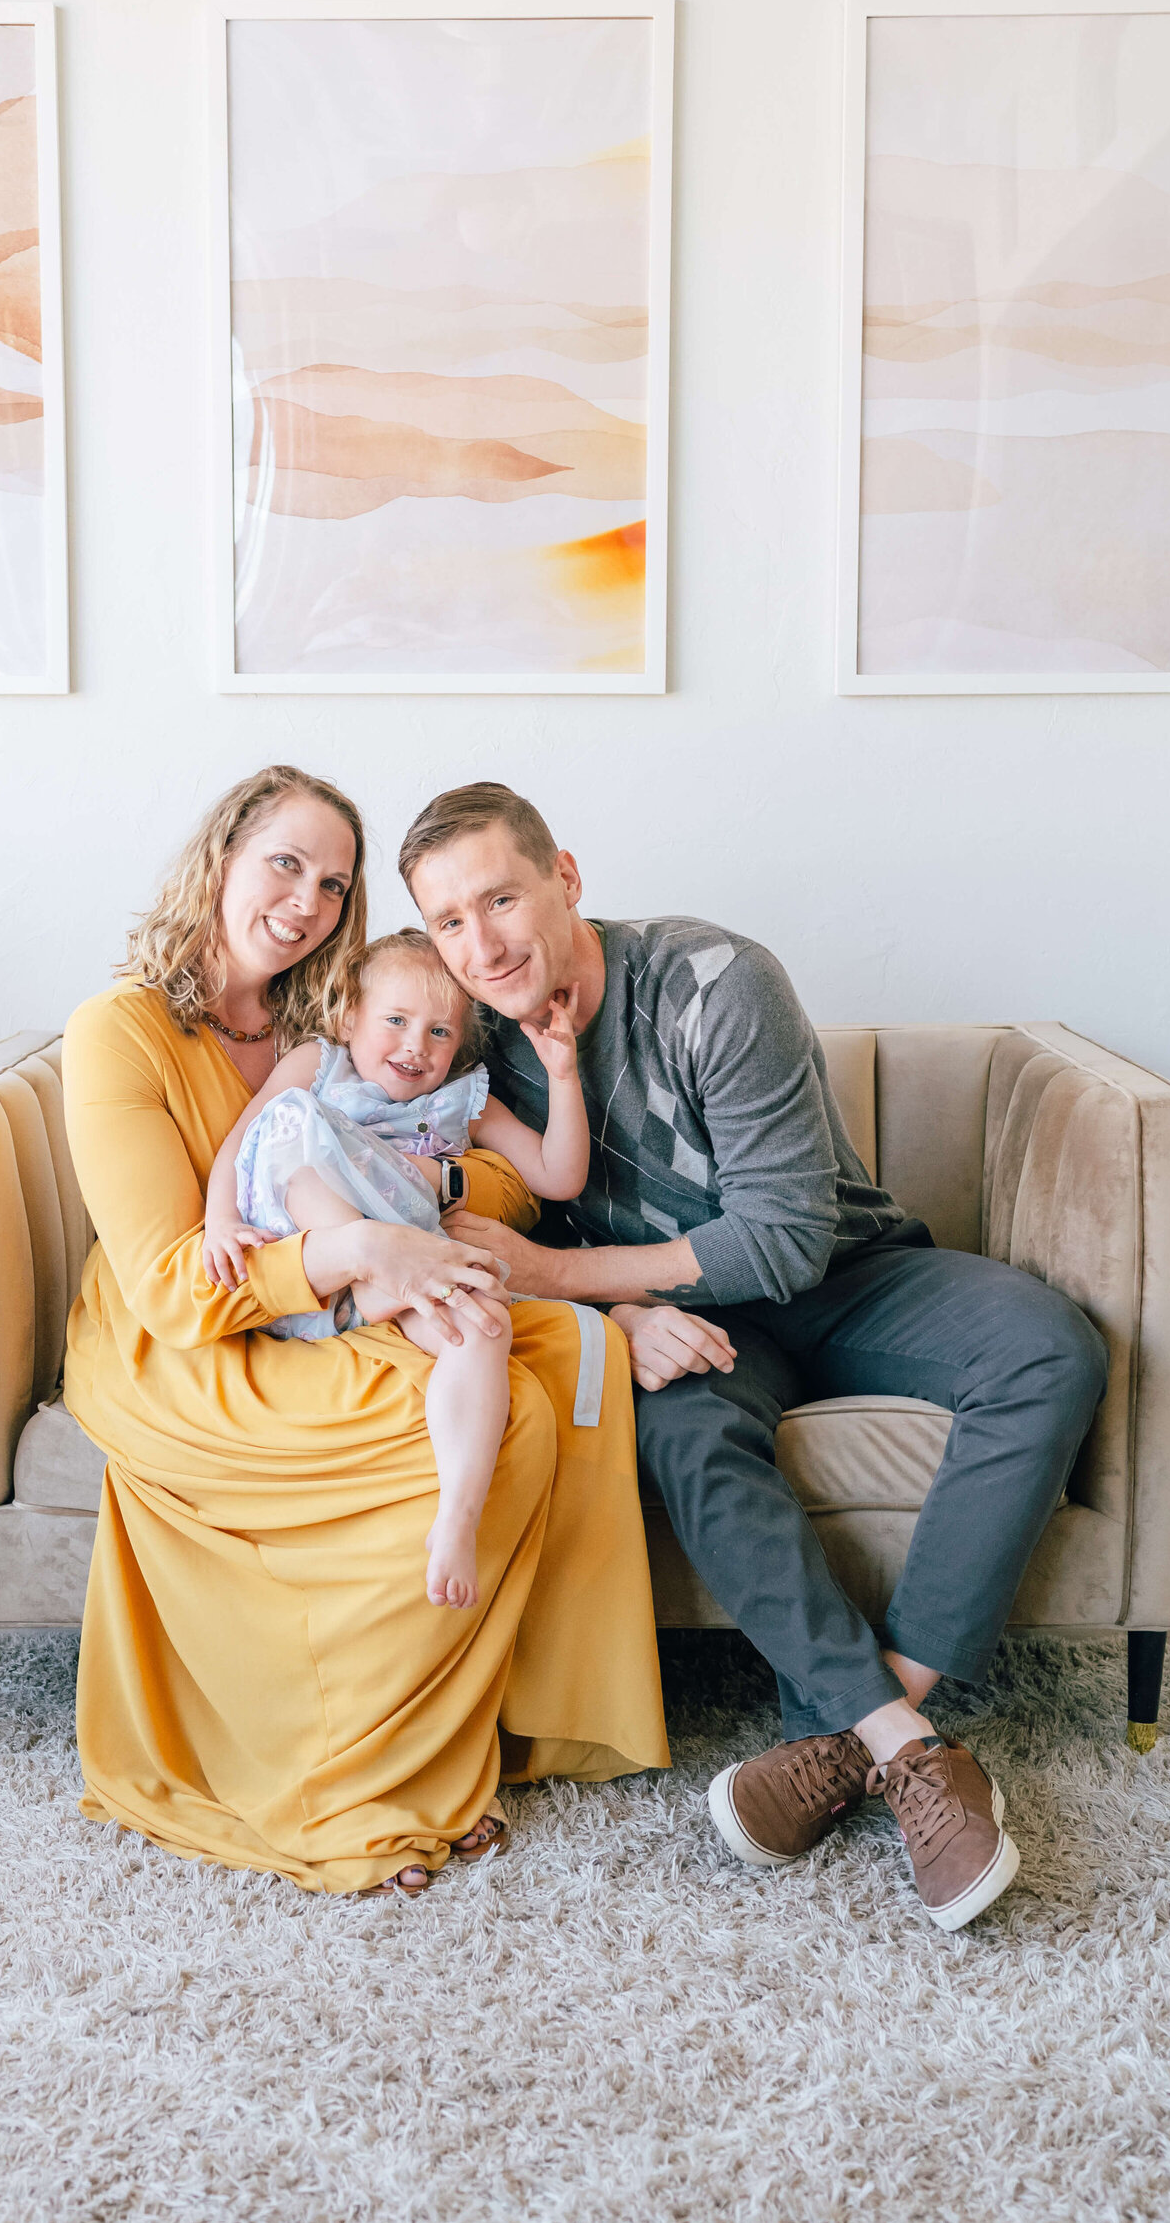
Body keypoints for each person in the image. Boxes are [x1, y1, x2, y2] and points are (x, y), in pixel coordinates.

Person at [400, 780, 1109, 1933]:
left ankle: (851, 1735)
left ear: (565, 876)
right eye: (447, 920)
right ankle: (909, 1750)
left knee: (1049, 1347)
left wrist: (578, 1281)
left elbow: (782, 1235)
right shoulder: (456, 1049)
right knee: (682, 1430)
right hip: (683, 1322)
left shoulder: (712, 982)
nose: (480, 943)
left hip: (843, 1276)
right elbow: (492, 1230)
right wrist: (619, 1320)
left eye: (500, 897)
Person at [60, 765, 668, 1899]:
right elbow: (174, 1281)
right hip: (194, 1338)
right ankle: (365, 1779)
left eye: (332, 883)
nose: (306, 901)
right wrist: (356, 1254)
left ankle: (507, 1724)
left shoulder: (339, 1012)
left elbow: (512, 1181)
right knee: (492, 1418)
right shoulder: (121, 1031)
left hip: (341, 1286)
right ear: (223, 856)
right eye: (284, 863)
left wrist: (423, 1199)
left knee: (565, 1360)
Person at [201, 927, 589, 1609]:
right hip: (319, 1256)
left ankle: (458, 1515)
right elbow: (244, 1139)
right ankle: (366, 1257)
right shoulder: (317, 1066)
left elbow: (558, 1174)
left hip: (407, 1275)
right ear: (350, 1014)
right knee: (293, 1118)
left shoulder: (462, 1098)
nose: (417, 1046)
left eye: (440, 1031)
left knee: (486, 1326)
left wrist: (563, 1074)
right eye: (397, 1021)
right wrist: (219, 1219)